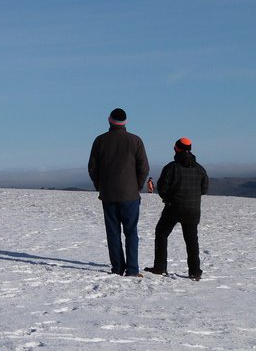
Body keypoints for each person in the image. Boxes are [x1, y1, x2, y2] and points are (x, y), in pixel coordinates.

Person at [88, 108, 150, 277]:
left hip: (108, 195)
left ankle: (117, 268)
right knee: (131, 232)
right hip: (130, 195)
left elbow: (92, 168)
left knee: (113, 233)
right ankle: (132, 269)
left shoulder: (100, 141)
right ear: (125, 122)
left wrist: (100, 186)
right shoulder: (135, 141)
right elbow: (143, 168)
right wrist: (136, 186)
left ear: (109, 120)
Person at [145, 138, 209, 280]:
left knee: (161, 233)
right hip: (193, 209)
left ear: (176, 149)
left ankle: (160, 267)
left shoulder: (171, 167)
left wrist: (168, 199)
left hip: (173, 208)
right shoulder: (199, 169)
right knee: (192, 240)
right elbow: (204, 189)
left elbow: (162, 187)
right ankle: (195, 271)